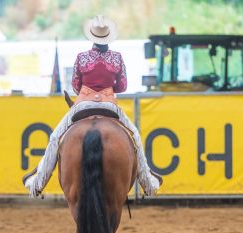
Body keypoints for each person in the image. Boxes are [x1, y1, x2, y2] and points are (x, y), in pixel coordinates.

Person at [24, 15, 161, 197]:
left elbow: (75, 85)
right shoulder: (117, 58)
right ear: (108, 36)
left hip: (83, 105)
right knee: (135, 136)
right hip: (110, 106)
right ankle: (149, 184)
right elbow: (122, 86)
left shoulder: (81, 58)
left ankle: (37, 183)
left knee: (55, 138)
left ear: (92, 36)